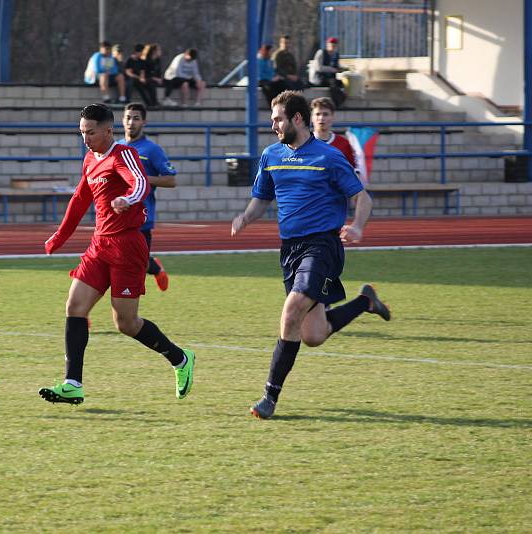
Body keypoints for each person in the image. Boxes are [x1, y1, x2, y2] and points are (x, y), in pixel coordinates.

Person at [230, 90, 390, 419]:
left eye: (278, 119)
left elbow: (363, 198)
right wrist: (245, 217)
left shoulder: (328, 157)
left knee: (291, 312)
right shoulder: (271, 154)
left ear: (297, 119)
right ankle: (365, 301)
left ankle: (269, 397)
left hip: (322, 247)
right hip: (290, 250)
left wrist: (357, 226)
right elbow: (262, 198)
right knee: (313, 335)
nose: (273, 125)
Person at [39, 103, 195, 405]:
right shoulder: (90, 159)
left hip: (127, 246)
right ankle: (73, 383)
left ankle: (180, 359)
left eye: (91, 133)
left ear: (108, 131)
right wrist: (59, 237)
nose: (85, 139)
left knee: (126, 323)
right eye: (82, 133)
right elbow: (80, 199)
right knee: (74, 305)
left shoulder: (124, 154)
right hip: (100, 245)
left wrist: (127, 198)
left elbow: (139, 183)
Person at [121, 103, 175, 291]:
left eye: (136, 118)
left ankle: (154, 267)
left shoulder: (152, 150)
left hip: (141, 218)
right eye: (128, 118)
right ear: (122, 120)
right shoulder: (115, 148)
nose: (131, 122)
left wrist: (143, 178)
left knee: (136, 264)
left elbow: (171, 180)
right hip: (116, 217)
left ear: (144, 122)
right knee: (115, 261)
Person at [310, 96, 357, 173]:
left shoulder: (344, 144)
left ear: (332, 117)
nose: (321, 118)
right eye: (318, 114)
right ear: (312, 118)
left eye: (325, 114)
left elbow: (350, 172)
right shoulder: (303, 143)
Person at [309, 37, 346, 107]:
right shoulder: (321, 53)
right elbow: (318, 67)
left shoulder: (336, 55)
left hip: (330, 78)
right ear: (327, 45)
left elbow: (336, 67)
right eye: (331, 45)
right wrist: (332, 69)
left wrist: (340, 69)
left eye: (334, 46)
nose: (333, 48)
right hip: (319, 78)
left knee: (341, 83)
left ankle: (341, 100)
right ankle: (336, 103)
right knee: (332, 83)